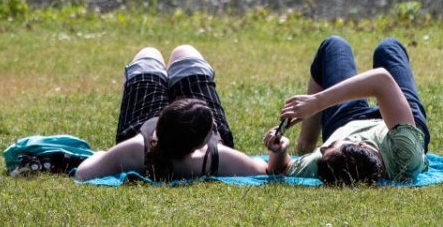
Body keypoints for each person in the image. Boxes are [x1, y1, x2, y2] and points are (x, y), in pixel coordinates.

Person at [72, 44, 289, 180]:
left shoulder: (135, 149)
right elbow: (268, 172)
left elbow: (82, 173)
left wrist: (104, 156)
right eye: (212, 128)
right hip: (175, 127)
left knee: (149, 53)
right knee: (184, 51)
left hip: (143, 123)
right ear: (203, 143)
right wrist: (278, 152)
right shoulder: (216, 158)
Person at [265, 35, 430, 185]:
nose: (322, 149)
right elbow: (381, 80)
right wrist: (316, 103)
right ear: (360, 143)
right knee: (389, 48)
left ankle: (305, 143)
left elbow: (280, 170)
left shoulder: (325, 163)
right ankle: (306, 140)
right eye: (331, 145)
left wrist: (279, 150)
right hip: (401, 124)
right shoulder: (405, 155)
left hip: (348, 121)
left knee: (333, 45)